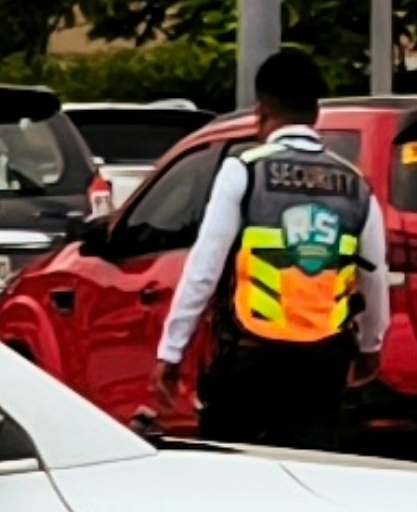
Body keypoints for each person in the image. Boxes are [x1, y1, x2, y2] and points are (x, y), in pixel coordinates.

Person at [149, 113, 377, 451]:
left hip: (253, 354)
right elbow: (374, 275)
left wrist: (172, 350)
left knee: (234, 468)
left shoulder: (245, 170)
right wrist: (371, 345)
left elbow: (204, 269)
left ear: (262, 114)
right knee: (312, 466)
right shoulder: (356, 182)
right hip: (323, 359)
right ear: (314, 113)